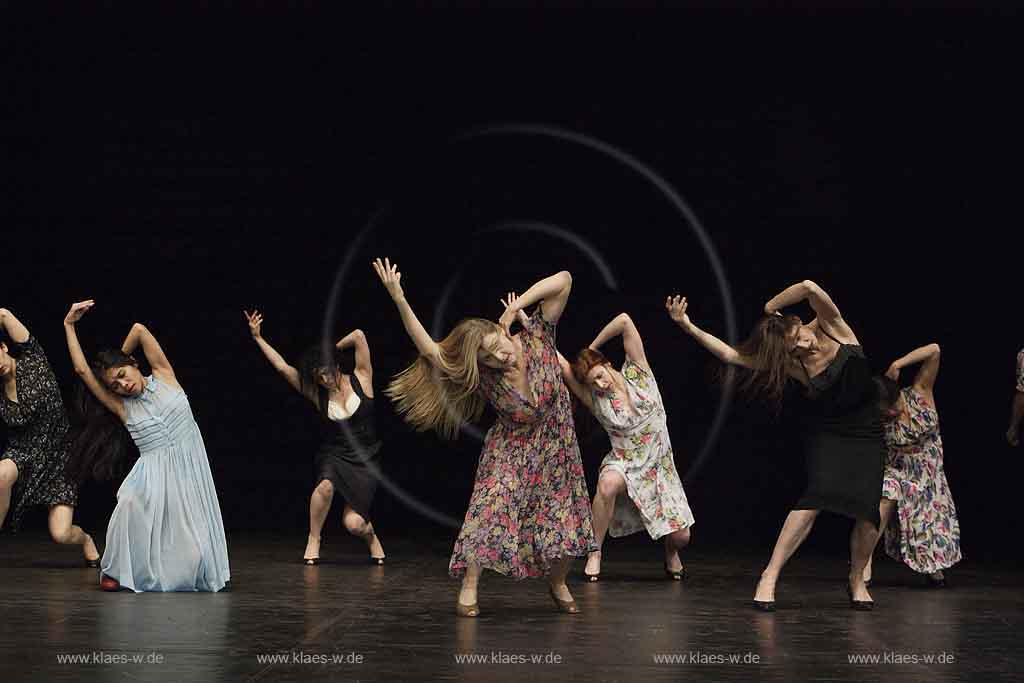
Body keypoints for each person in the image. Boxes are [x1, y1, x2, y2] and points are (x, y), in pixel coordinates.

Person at [372, 258, 594, 617]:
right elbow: (431, 350)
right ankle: (470, 584)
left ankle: (557, 583)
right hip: (512, 447)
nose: (499, 357)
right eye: (488, 358)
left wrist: (519, 304)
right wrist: (399, 298)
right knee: (491, 508)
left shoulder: (538, 335)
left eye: (497, 346)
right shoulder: (486, 378)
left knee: (564, 521)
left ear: (501, 328)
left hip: (556, 447)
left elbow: (564, 279)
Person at [668, 281, 885, 611]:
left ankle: (857, 579)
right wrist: (686, 325)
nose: (803, 346)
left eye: (800, 337)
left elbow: (809, 287)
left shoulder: (832, 324)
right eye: (794, 348)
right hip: (828, 433)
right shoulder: (792, 364)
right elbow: (731, 355)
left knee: (868, 510)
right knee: (817, 495)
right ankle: (769, 575)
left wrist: (770, 306)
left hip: (866, 430)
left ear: (799, 323)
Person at [63, 300, 230, 592]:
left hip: (189, 470)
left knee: (193, 553)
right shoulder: (121, 407)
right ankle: (114, 570)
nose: (122, 386)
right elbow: (81, 370)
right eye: (114, 386)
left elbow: (139, 330)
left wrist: (115, 359)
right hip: (151, 475)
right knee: (128, 504)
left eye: (123, 376)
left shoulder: (164, 375)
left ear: (134, 364)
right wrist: (69, 325)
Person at [556, 313, 694, 581]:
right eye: (592, 383)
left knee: (682, 537)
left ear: (606, 364)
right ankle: (594, 551)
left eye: (599, 375)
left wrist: (592, 347)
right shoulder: (596, 400)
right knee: (607, 484)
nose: (599, 384)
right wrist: (535, 330)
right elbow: (564, 368)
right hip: (625, 462)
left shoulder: (637, 371)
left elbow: (624, 321)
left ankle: (670, 551)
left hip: (659, 468)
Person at [245, 310, 386, 565]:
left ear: (336, 364)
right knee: (325, 485)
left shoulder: (362, 378)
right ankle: (314, 538)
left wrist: (329, 349)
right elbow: (281, 367)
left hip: (366, 459)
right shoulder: (316, 393)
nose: (324, 378)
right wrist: (258, 337)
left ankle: (371, 536)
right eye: (318, 374)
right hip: (335, 454)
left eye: (327, 370)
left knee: (353, 524)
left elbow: (358, 335)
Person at [0, 307, 99, 565]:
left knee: (61, 534)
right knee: (1, 473)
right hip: (23, 453)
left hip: (58, 456)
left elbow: (3, 314)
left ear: (3, 347)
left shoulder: (34, 358)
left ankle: (86, 539)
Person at [868, 343, 961, 587]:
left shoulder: (920, 392)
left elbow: (935, 350)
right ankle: (863, 559)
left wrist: (898, 363)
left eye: (894, 405)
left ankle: (933, 568)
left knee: (927, 525)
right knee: (884, 497)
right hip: (898, 469)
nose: (892, 412)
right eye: (886, 411)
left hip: (928, 472)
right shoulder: (879, 416)